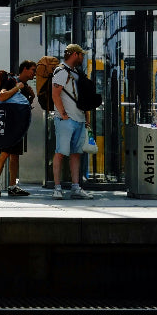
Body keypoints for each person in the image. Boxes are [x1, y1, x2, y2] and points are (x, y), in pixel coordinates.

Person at [51, 44, 94, 200]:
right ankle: (57, 188)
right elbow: (55, 95)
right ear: (75, 54)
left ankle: (75, 187)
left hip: (79, 118)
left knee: (76, 153)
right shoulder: (61, 71)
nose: (83, 58)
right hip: (67, 119)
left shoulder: (76, 72)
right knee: (61, 152)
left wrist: (86, 117)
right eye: (81, 55)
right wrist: (63, 115)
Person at [0, 60, 36, 197]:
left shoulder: (26, 86)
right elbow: (2, 96)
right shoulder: (11, 81)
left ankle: (12, 186)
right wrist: (18, 88)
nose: (34, 73)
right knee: (4, 154)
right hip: (8, 124)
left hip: (19, 125)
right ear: (25, 69)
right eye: (33, 70)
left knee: (15, 156)